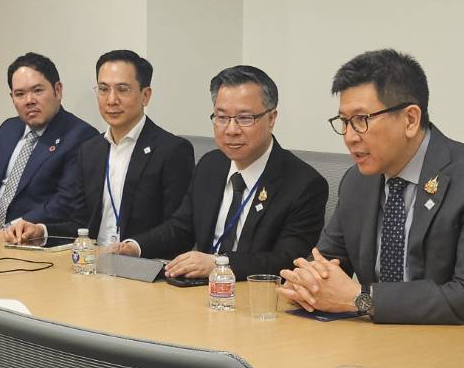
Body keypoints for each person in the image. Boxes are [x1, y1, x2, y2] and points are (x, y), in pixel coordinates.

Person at [278, 48, 464, 329]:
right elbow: (325, 264)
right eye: (344, 122)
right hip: (390, 336)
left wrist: (361, 299)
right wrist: (306, 283)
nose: (349, 137)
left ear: (410, 119)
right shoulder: (357, 181)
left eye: (361, 120)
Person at [116, 64, 328, 278]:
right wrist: (134, 247)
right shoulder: (211, 165)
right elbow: (181, 228)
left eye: (245, 118)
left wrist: (219, 264)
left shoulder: (304, 184)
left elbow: (287, 260)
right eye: (222, 117)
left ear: (271, 119)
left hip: (253, 294)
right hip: (200, 290)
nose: (231, 130)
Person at [4, 50, 192, 248]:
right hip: (91, 259)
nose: (111, 100)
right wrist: (42, 231)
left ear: (145, 95)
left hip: (142, 262)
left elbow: (179, 229)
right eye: (103, 89)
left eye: (122, 89)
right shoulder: (90, 150)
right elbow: (80, 225)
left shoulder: (171, 150)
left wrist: (134, 247)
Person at [0, 52, 99, 237]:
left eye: (37, 91)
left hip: (27, 235)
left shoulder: (81, 136)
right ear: (12, 98)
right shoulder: (9, 128)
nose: (29, 101)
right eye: (20, 94)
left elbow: (64, 202)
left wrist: (10, 230)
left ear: (57, 90)